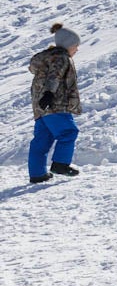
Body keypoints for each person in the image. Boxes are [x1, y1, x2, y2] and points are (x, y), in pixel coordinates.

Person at [28, 23, 83, 183]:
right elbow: (55, 76)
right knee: (68, 132)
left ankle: (37, 174)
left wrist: (44, 98)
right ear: (68, 45)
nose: (76, 49)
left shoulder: (46, 58)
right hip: (55, 104)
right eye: (75, 46)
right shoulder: (61, 57)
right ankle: (60, 164)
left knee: (42, 140)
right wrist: (49, 93)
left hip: (40, 107)